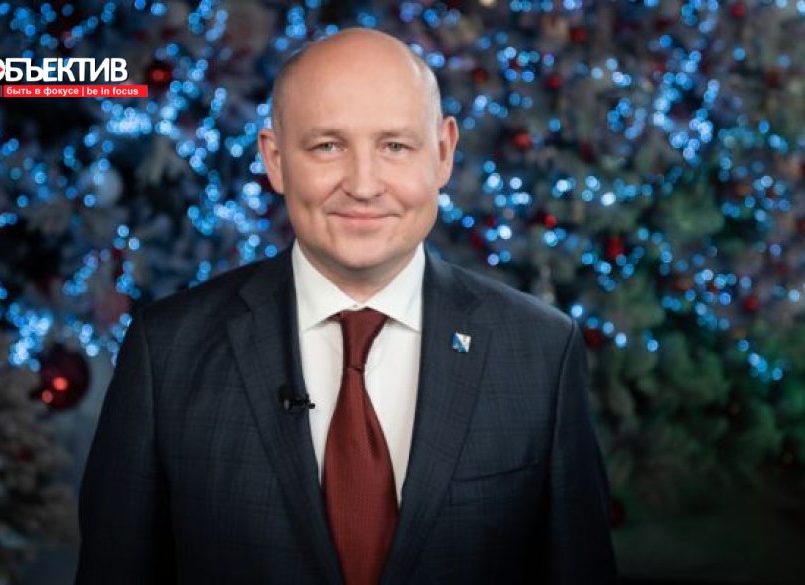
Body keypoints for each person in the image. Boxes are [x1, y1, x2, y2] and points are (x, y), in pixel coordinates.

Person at [76, 27, 617, 584]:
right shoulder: (167, 352)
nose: (363, 185)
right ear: (275, 159)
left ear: (442, 153)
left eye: (395, 146)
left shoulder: (541, 352)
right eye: (327, 146)